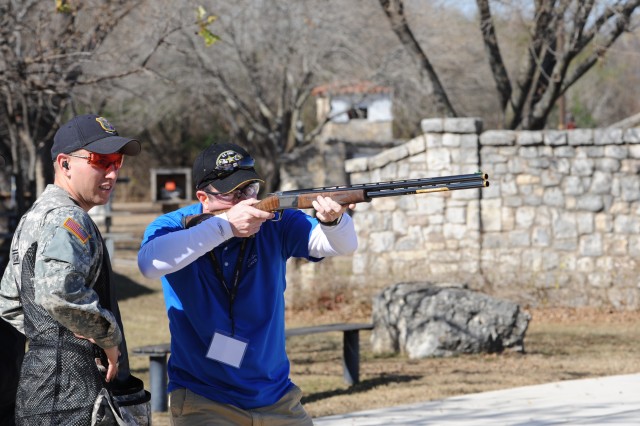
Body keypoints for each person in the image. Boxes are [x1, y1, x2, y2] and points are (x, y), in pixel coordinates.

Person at [138, 142, 358, 425]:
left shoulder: (275, 221)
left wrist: (333, 221)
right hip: (204, 399)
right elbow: (149, 264)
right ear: (203, 197)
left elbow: (341, 245)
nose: (245, 200)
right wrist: (225, 226)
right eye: (233, 193)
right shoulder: (174, 225)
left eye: (250, 189)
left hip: (277, 396)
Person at [0, 114, 149, 425]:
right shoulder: (69, 219)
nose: (111, 172)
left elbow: (9, 303)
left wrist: (49, 337)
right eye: (100, 160)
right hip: (73, 398)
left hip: (39, 392)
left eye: (117, 162)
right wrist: (105, 337)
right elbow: (58, 293)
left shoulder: (32, 217)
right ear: (64, 164)